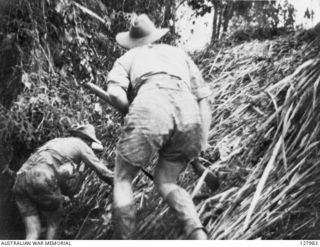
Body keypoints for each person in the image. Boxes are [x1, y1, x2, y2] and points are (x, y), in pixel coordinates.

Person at [106, 14, 212, 240]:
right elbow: (204, 98)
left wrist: (131, 109)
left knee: (123, 179)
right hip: (189, 113)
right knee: (166, 180)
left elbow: (114, 93)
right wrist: (203, 139)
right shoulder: (179, 54)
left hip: (151, 105)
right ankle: (199, 236)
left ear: (131, 41)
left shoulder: (130, 57)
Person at [13, 124, 114, 240]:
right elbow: (102, 171)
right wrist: (119, 183)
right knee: (54, 223)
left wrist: (67, 192)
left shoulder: (56, 141)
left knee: (33, 232)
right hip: (41, 175)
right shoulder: (81, 145)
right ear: (87, 140)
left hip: (20, 179)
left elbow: (56, 175)